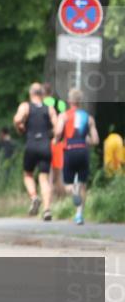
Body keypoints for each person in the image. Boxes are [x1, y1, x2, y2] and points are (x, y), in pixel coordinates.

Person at [54, 88, 100, 225]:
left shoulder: (64, 116)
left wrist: (57, 140)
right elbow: (96, 140)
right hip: (83, 151)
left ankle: (73, 193)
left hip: (69, 150)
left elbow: (57, 132)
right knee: (82, 184)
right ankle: (79, 215)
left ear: (69, 100)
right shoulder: (89, 117)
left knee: (67, 184)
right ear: (80, 101)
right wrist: (86, 140)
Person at [13, 83, 58, 220]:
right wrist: (54, 138)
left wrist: (19, 127)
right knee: (44, 178)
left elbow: (17, 119)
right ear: (42, 95)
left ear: (31, 94)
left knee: (28, 174)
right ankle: (47, 210)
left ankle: (34, 197)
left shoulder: (25, 106)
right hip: (45, 145)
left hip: (31, 144)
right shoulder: (49, 108)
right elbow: (57, 127)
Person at [43, 83, 68, 199]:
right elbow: (65, 120)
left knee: (46, 174)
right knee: (58, 173)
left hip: (44, 142)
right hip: (59, 142)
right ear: (51, 92)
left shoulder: (40, 105)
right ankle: (61, 200)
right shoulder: (61, 103)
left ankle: (48, 200)